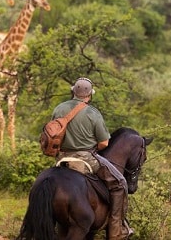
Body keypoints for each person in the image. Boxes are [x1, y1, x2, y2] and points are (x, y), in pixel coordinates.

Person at [53, 77, 133, 240]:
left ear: (73, 91)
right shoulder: (92, 112)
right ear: (89, 95)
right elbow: (104, 143)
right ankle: (117, 230)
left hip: (61, 159)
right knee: (120, 183)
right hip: (86, 159)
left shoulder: (59, 109)